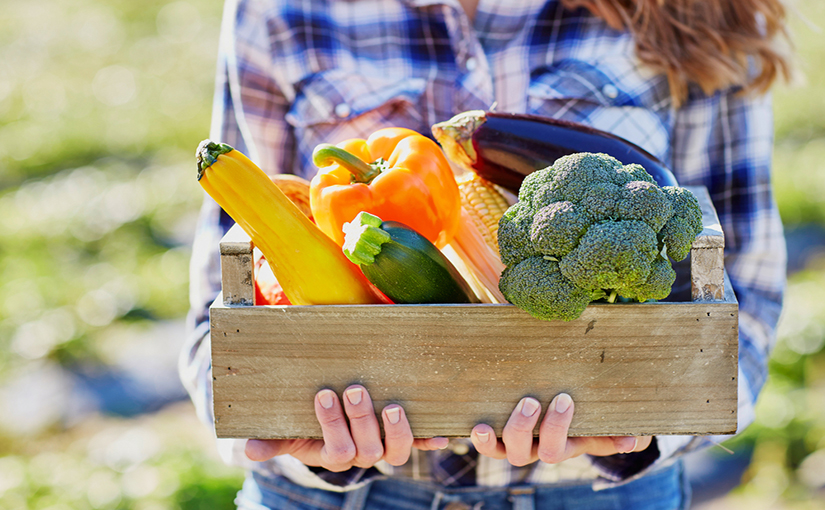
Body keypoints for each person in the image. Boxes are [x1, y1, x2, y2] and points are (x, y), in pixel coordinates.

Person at [181, 0, 791, 508]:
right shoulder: (280, 9)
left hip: (596, 496)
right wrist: (295, 431)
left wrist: (641, 424)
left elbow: (745, 284)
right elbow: (226, 290)